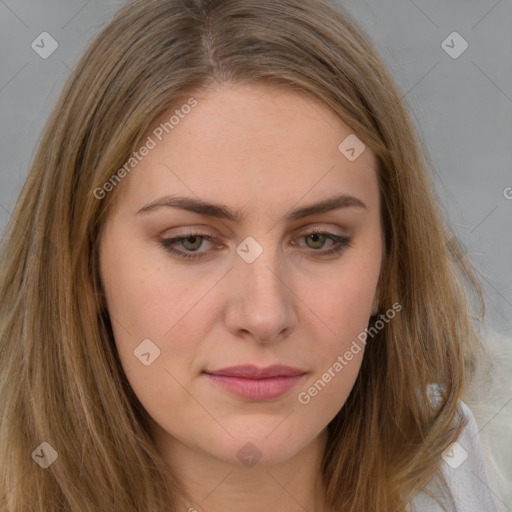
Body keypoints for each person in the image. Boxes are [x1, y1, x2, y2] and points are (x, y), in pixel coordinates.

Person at [0, 0, 500, 510]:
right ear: (85, 270)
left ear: (390, 268)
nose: (265, 316)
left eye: (319, 239)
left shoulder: (459, 474)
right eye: (191, 242)